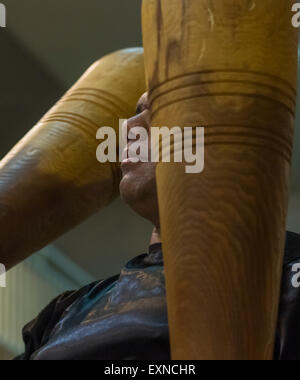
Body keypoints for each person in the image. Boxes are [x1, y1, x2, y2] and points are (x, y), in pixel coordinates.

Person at [17, 92, 300, 360]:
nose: (128, 126)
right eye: (136, 112)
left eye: (161, 110)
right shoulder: (66, 311)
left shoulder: (288, 275)